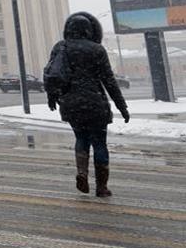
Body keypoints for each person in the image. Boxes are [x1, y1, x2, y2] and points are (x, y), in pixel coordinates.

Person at [45, 11, 129, 198]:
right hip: (95, 102)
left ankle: (82, 173)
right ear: (88, 30)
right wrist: (122, 106)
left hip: (71, 103)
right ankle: (102, 187)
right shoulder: (97, 50)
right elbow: (109, 81)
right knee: (100, 143)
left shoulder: (61, 47)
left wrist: (51, 97)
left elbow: (52, 74)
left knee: (81, 139)